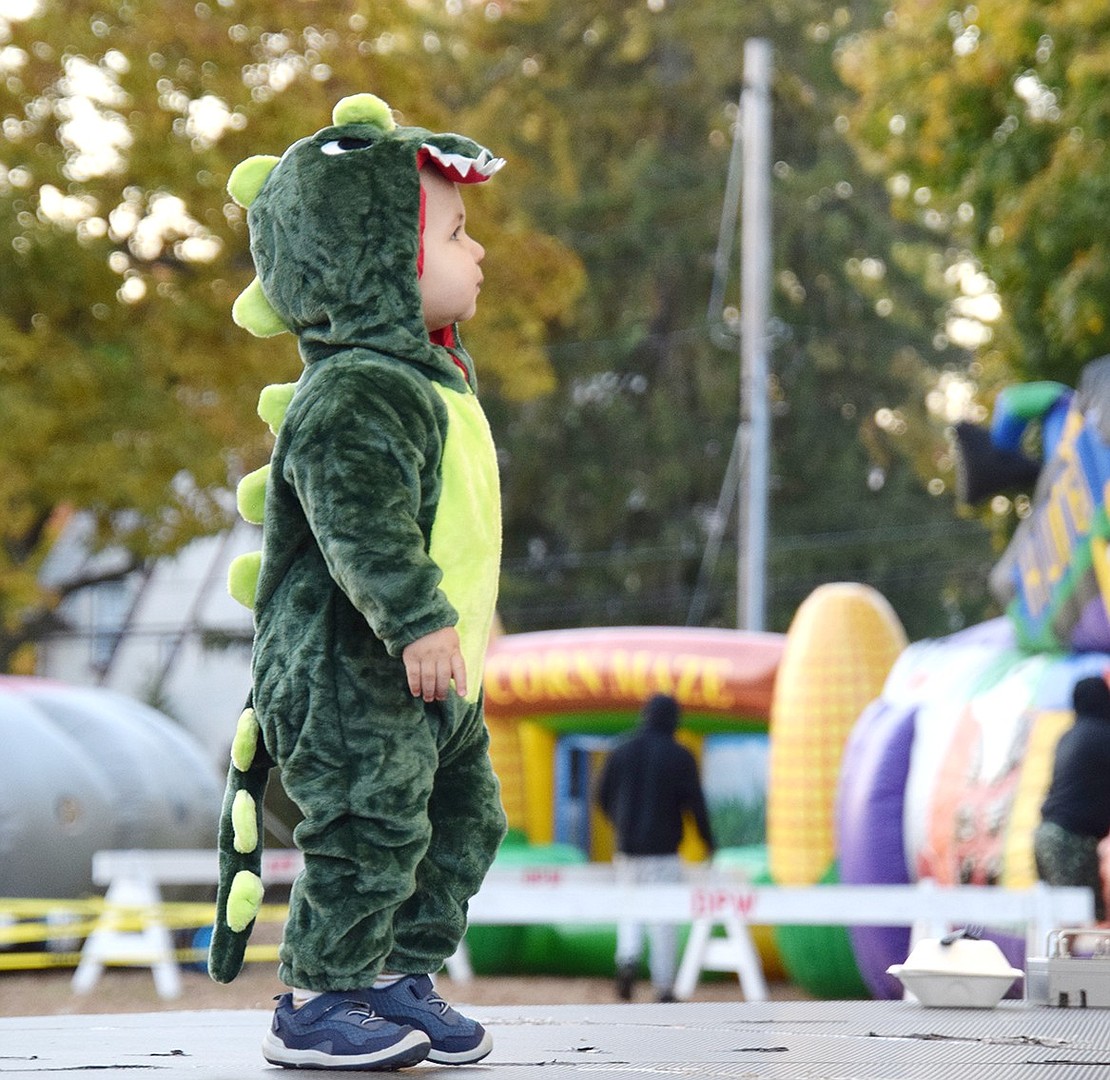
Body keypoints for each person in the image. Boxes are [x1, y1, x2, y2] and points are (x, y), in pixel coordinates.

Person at [205, 94, 508, 1071]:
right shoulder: (356, 390)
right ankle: (315, 999)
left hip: (430, 671)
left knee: (466, 817)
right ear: (381, 258)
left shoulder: (428, 381)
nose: (480, 254)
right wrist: (418, 618)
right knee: (370, 824)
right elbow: (360, 519)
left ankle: (393, 976)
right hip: (352, 663)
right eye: (457, 234)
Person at [595, 693, 715, 1002]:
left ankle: (627, 960)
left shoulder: (620, 751)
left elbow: (601, 795)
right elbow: (696, 806)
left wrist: (619, 823)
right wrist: (708, 842)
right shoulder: (681, 756)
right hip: (664, 852)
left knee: (630, 910)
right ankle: (663, 986)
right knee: (663, 917)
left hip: (627, 850)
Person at [1034, 673, 1110, 923]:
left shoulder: (1069, 735)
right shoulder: (1102, 736)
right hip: (1070, 839)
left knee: (1059, 922)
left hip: (1046, 835)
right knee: (1082, 921)